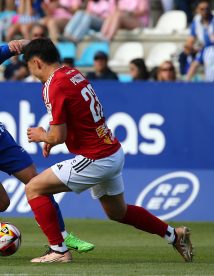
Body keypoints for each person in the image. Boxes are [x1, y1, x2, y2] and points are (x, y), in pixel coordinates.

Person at [22, 37, 194, 263]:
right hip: (111, 151)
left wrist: (42, 135)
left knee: (34, 188)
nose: (32, 72)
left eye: (29, 67)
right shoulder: (73, 73)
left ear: (36, 62)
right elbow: (76, 119)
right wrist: (52, 137)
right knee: (117, 212)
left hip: (96, 157)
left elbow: (57, 135)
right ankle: (174, 235)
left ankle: (59, 251)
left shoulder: (52, 85)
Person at [0, 24, 94, 253]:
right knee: (0, 204)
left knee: (38, 184)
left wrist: (22, 44)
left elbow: (32, 48)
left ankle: (63, 237)